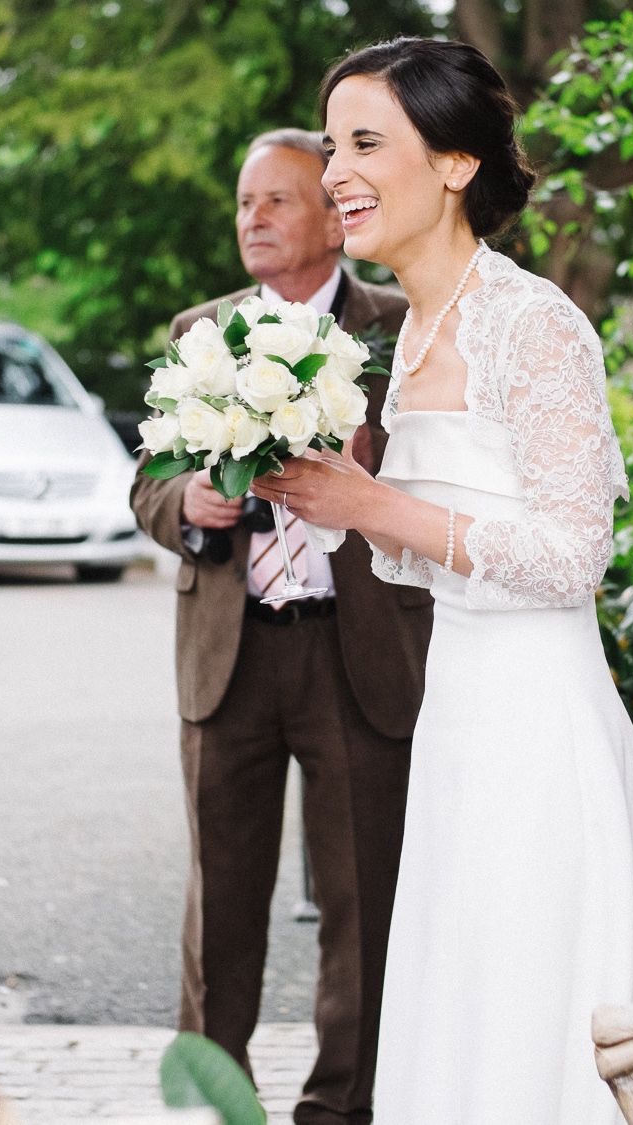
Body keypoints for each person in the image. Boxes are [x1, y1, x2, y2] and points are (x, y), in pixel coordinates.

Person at [253, 40, 633, 1124]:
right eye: (329, 146)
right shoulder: (408, 338)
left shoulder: (531, 324)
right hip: (456, 717)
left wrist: (374, 507)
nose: (334, 172)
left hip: (539, 731)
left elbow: (570, 553)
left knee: (535, 1022)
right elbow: (419, 548)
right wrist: (340, 496)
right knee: (461, 1012)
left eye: (364, 144)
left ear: (452, 164)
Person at [128, 128, 432, 1124]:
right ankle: (219, 1105)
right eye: (243, 204)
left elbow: (432, 480)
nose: (250, 220)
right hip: (231, 647)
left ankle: (342, 1108)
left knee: (362, 901)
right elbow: (149, 482)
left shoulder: (402, 325)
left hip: (360, 647)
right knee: (219, 903)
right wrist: (190, 506)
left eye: (274, 201)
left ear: (331, 213)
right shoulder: (199, 329)